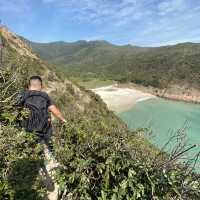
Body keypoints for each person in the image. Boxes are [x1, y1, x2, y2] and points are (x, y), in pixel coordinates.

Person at [17, 75, 66, 142]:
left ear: (29, 86)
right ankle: (49, 149)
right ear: (40, 86)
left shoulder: (23, 94)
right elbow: (54, 110)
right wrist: (62, 119)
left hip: (26, 130)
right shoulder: (44, 95)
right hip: (42, 132)